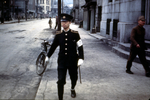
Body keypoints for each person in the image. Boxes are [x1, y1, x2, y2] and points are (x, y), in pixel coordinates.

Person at [45, 13, 84, 100]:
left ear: (69, 22)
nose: (63, 24)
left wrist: (81, 58)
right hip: (62, 61)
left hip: (73, 61)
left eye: (65, 22)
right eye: (62, 22)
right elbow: (53, 47)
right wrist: (48, 56)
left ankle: (72, 88)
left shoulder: (75, 34)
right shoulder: (58, 35)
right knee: (60, 80)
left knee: (74, 77)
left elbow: (80, 47)